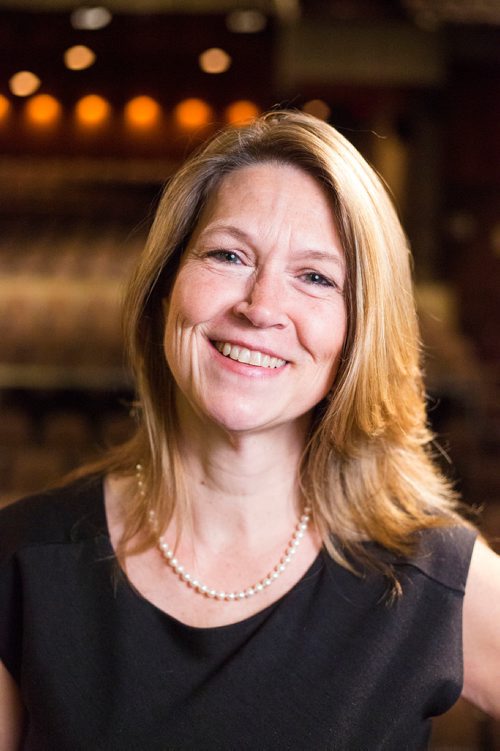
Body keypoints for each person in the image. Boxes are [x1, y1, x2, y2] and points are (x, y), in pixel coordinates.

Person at [1, 110, 499, 750]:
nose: (260, 307)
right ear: (164, 289)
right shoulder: (23, 561)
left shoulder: (430, 579)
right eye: (228, 255)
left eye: (315, 277)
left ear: (358, 332)